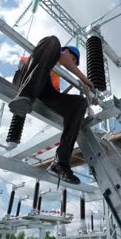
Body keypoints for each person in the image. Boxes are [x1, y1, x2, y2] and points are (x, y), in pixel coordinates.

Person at [9, 36, 94, 184]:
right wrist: (87, 81)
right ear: (66, 51)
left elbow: (57, 94)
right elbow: (64, 59)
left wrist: (89, 96)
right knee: (53, 40)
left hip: (43, 90)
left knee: (79, 103)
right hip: (26, 79)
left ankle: (60, 164)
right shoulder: (51, 50)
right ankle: (25, 97)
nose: (72, 64)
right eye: (73, 60)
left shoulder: (55, 74)